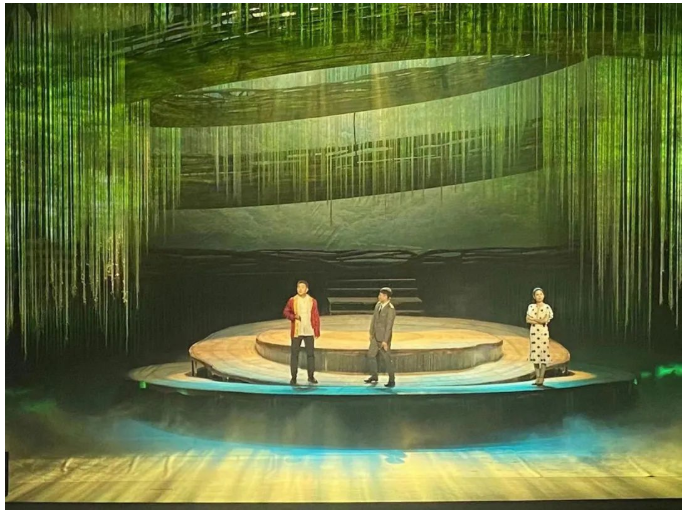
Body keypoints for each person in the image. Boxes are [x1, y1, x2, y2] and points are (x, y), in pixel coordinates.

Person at [283, 280, 321, 385]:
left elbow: (316, 316)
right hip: (297, 331)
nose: (300, 289)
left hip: (309, 330)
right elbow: (286, 312)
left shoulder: (312, 301)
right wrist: (293, 316)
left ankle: (311, 376)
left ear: (307, 289)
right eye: (298, 287)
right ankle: (293, 377)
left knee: (310, 355)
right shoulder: (293, 300)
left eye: (302, 287)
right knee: (294, 354)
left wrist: (316, 330)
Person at [364, 287, 396, 388]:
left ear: (386, 296)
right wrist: (371, 333)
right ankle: (374, 376)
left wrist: (385, 341)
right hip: (375, 336)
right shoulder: (378, 305)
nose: (379, 297)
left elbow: (389, 327)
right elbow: (373, 320)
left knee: (387, 359)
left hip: (383, 339)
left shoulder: (390, 309)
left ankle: (392, 380)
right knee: (371, 355)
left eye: (381, 295)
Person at [526, 287, 554, 386]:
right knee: (535, 354)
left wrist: (534, 319)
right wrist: (539, 320)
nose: (539, 296)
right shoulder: (531, 307)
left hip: (543, 333)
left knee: (543, 354)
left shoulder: (547, 307)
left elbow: (544, 321)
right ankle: (537, 377)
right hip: (534, 332)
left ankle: (542, 378)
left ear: (544, 295)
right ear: (534, 296)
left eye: (541, 294)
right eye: (537, 294)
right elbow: (528, 320)